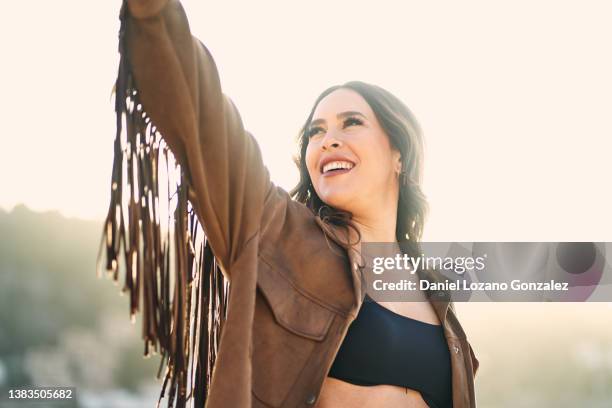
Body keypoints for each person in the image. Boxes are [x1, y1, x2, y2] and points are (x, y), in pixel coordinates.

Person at [100, 1, 479, 407]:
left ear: (399, 155)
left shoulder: (436, 290)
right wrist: (154, 15)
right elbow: (204, 117)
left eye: (352, 122)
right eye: (316, 132)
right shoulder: (284, 235)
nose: (328, 140)